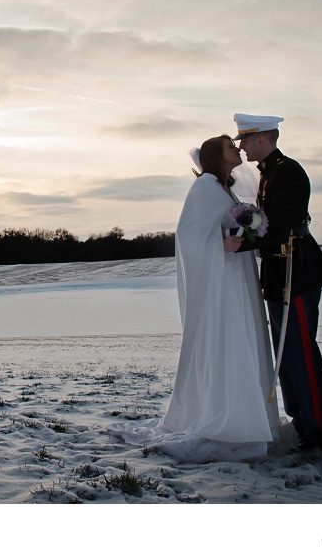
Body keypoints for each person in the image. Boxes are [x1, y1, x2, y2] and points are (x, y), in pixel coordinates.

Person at [110, 134, 280, 462]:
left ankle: (249, 416)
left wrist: (244, 234)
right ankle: (228, 418)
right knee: (227, 340)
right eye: (232, 146)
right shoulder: (204, 188)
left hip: (235, 276)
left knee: (242, 338)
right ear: (218, 155)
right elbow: (188, 237)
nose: (238, 148)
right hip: (220, 282)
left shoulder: (224, 187)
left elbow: (231, 224)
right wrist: (220, 245)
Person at [234, 113, 322, 454]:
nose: (242, 147)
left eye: (245, 140)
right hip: (280, 274)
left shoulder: (287, 172)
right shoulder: (269, 173)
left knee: (301, 352)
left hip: (298, 271)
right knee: (287, 355)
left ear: (261, 139)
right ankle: (303, 425)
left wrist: (240, 242)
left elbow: (279, 228)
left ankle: (319, 432)